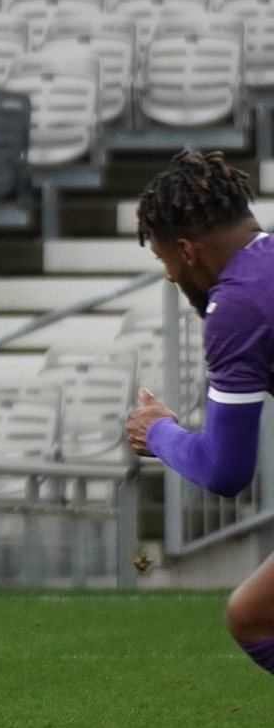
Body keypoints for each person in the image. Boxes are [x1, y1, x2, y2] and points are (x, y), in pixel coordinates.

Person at [126, 150, 274, 675]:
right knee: (255, 613)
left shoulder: (238, 304)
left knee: (256, 618)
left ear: (187, 251)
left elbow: (225, 470)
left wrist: (159, 432)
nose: (169, 276)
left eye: (164, 259)